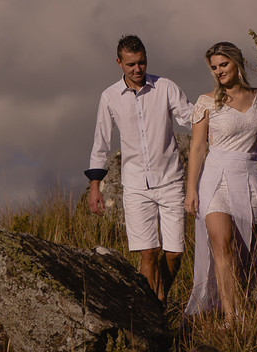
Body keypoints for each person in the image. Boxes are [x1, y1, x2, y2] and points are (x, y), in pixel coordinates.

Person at [87, 34, 193, 303]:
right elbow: (101, 142)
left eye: (142, 62)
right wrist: (95, 186)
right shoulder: (109, 96)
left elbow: (190, 117)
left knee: (175, 253)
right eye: (131, 64)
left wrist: (218, 110)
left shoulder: (165, 87)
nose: (137, 69)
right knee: (148, 252)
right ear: (119, 63)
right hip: (135, 185)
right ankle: (152, 307)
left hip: (170, 180)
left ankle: (160, 297)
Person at [183, 41, 257, 320]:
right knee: (222, 243)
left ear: (237, 62)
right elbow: (197, 148)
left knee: (245, 250)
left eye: (223, 64)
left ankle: (242, 303)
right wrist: (191, 190)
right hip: (215, 178)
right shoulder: (207, 102)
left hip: (249, 175)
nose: (218, 71)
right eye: (214, 67)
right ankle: (232, 316)